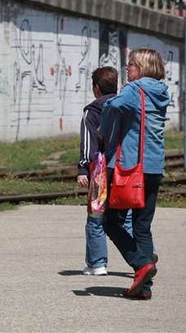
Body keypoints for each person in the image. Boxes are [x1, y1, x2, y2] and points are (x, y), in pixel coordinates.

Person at [100, 48, 169, 300]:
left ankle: (141, 265)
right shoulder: (161, 91)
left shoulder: (134, 89)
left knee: (110, 221)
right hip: (153, 167)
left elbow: (114, 105)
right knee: (143, 227)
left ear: (141, 68)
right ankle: (144, 287)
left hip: (130, 167)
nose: (126, 69)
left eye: (130, 64)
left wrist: (103, 128)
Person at [76, 66, 118, 276]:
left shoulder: (91, 111)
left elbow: (88, 143)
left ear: (96, 88)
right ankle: (144, 255)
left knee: (96, 216)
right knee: (125, 216)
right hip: (123, 166)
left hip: (101, 169)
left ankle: (97, 264)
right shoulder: (124, 106)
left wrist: (83, 167)